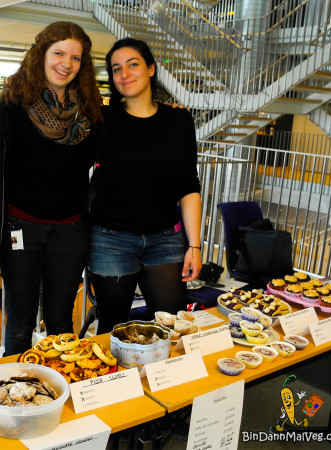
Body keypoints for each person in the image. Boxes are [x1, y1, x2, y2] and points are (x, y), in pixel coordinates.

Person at [0, 21, 102, 355]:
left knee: (61, 322)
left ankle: (62, 389)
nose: (66, 63)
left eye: (75, 57)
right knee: (20, 321)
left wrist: (167, 111)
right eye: (58, 53)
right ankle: (13, 399)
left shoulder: (89, 111)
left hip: (70, 229)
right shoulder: (12, 105)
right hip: (20, 226)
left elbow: (129, 127)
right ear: (41, 54)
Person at [88, 37, 202, 334]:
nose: (124, 74)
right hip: (110, 241)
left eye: (133, 64)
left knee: (172, 325)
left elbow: (189, 185)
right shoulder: (102, 118)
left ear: (151, 68)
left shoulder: (179, 120)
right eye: (116, 69)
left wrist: (195, 245)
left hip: (165, 241)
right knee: (113, 328)